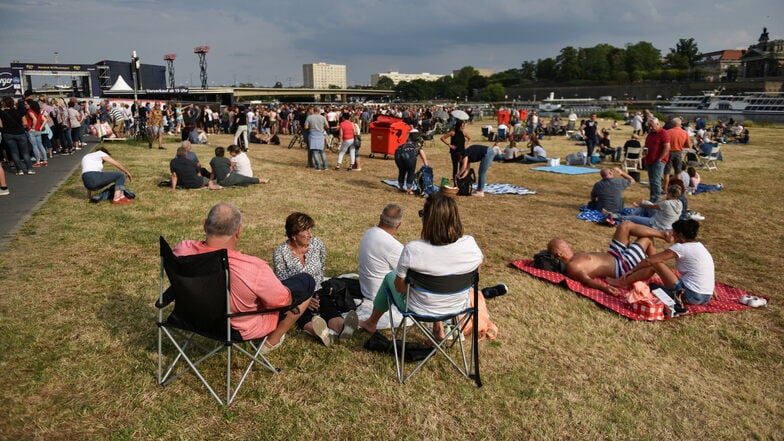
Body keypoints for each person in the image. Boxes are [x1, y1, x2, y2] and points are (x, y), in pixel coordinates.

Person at [173, 203, 314, 352]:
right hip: (238, 328)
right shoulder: (253, 268)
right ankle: (271, 342)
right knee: (306, 281)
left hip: (191, 317)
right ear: (238, 231)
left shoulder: (182, 250)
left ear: (205, 225)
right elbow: (283, 301)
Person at [359, 192, 484, 339]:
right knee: (439, 283)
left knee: (389, 277)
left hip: (420, 309)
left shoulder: (414, 250)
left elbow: (399, 288)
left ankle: (371, 323)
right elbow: (475, 277)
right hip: (457, 307)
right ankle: (439, 329)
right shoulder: (470, 245)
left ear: (428, 220)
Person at [272, 212, 355, 346]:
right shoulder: (280, 253)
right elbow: (283, 283)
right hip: (297, 296)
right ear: (293, 235)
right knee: (301, 315)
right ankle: (321, 333)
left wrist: (315, 293)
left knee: (328, 307)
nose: (310, 234)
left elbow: (321, 267)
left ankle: (342, 328)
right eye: (306, 231)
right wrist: (306, 298)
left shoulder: (317, 244)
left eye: (311, 229)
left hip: (317, 289)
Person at [547, 221, 672, 295]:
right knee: (647, 239)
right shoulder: (573, 266)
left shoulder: (575, 256)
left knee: (625, 225)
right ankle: (654, 268)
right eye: (565, 246)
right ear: (559, 254)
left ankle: (663, 234)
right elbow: (587, 281)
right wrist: (606, 288)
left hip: (614, 254)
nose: (570, 246)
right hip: (621, 265)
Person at [610, 219, 714, 307]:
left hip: (690, 296)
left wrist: (632, 270)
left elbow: (650, 260)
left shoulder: (681, 247)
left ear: (680, 235)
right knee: (656, 274)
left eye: (673, 233)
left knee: (656, 264)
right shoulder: (700, 246)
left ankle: (623, 282)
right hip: (706, 297)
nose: (672, 235)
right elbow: (706, 269)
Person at [357, 204, 405, 301]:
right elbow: (405, 276)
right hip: (381, 296)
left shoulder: (368, 232)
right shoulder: (394, 246)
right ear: (399, 224)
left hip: (365, 289)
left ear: (380, 217)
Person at [616, 185, 683, 231]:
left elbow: (650, 207)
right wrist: (643, 204)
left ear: (670, 194)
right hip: (667, 225)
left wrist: (640, 204)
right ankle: (630, 215)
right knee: (646, 203)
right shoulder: (680, 203)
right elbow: (654, 206)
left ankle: (618, 217)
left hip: (657, 225)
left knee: (632, 218)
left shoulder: (667, 203)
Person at [1, 97, 34, 175]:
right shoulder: (19, 112)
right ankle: (29, 169)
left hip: (8, 134)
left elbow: (1, 125)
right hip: (20, 133)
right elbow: (25, 123)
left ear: (4, 104)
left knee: (14, 152)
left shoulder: (1, 113)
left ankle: (19, 170)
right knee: (25, 152)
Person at [643, 117, 671, 203]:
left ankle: (656, 199)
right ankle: (652, 197)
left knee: (656, 180)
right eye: (649, 126)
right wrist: (644, 155)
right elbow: (646, 145)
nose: (650, 128)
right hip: (649, 159)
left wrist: (660, 158)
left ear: (658, 124)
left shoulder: (663, 133)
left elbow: (667, 147)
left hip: (658, 161)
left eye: (652, 126)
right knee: (652, 180)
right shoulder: (650, 134)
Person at [664, 117, 689, 192]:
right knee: (678, 171)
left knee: (667, 172)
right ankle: (677, 189)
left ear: (672, 124)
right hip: (678, 152)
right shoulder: (684, 133)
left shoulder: (667, 132)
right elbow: (688, 145)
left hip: (669, 152)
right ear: (680, 124)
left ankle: (665, 188)